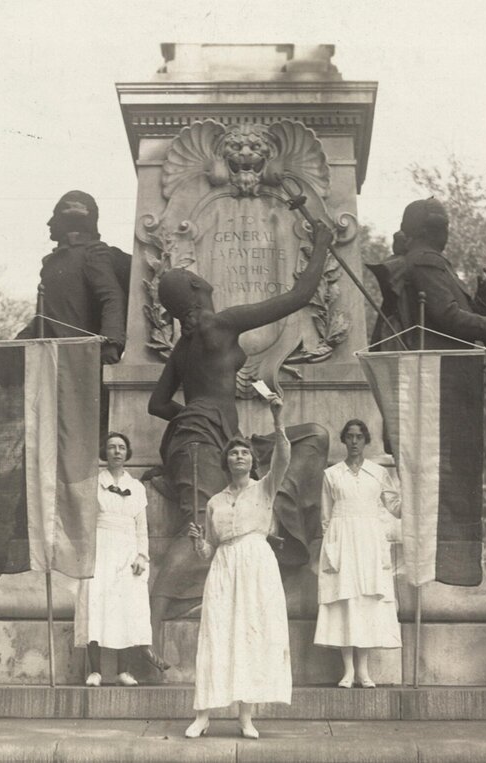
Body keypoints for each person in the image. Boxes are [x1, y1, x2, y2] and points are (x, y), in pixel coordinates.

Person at [145, 221, 334, 662]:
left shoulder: (184, 346)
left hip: (217, 437)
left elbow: (157, 404)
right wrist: (322, 244)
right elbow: (299, 297)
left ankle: (277, 535)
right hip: (200, 443)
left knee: (312, 437)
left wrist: (196, 416)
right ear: (195, 288)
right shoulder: (223, 323)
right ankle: (149, 633)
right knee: (197, 530)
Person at [184, 395, 291, 740]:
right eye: (233, 452)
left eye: (244, 451)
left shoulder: (265, 490)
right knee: (216, 634)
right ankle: (203, 715)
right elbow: (208, 551)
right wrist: (198, 541)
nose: (239, 455)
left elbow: (284, 458)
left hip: (257, 565)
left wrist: (277, 420)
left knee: (251, 635)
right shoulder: (215, 501)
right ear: (226, 461)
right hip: (224, 567)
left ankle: (246, 717)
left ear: (252, 460)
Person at [314, 419, 401, 687]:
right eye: (349, 437)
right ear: (344, 440)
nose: (354, 442)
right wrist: (333, 546)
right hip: (342, 542)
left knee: (366, 603)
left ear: (365, 440)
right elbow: (326, 516)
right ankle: (348, 670)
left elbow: (395, 506)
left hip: (370, 544)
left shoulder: (378, 473)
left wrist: (412, 490)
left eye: (359, 437)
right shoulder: (332, 474)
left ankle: (363, 671)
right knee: (345, 603)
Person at [366, 197, 486, 351]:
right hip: (439, 368)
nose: (446, 231)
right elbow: (447, 316)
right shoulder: (425, 261)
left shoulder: (427, 260)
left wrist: (483, 302)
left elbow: (448, 318)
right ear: (427, 230)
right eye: (443, 226)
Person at [75, 432, 154, 686]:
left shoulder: (138, 488)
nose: (117, 452)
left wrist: (142, 555)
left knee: (127, 607)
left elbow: (141, 527)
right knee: (95, 605)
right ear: (105, 452)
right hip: (100, 549)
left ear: (127, 453)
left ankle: (123, 671)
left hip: (128, 551)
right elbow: (85, 524)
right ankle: (95, 670)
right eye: (111, 447)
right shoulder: (93, 484)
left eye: (121, 447)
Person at [15, 190, 127, 365]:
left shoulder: (92, 254)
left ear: (72, 220)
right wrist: (15, 346)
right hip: (52, 358)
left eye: (55, 216)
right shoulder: (51, 263)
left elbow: (112, 297)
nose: (49, 223)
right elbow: (45, 317)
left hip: (81, 359)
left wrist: (110, 343)